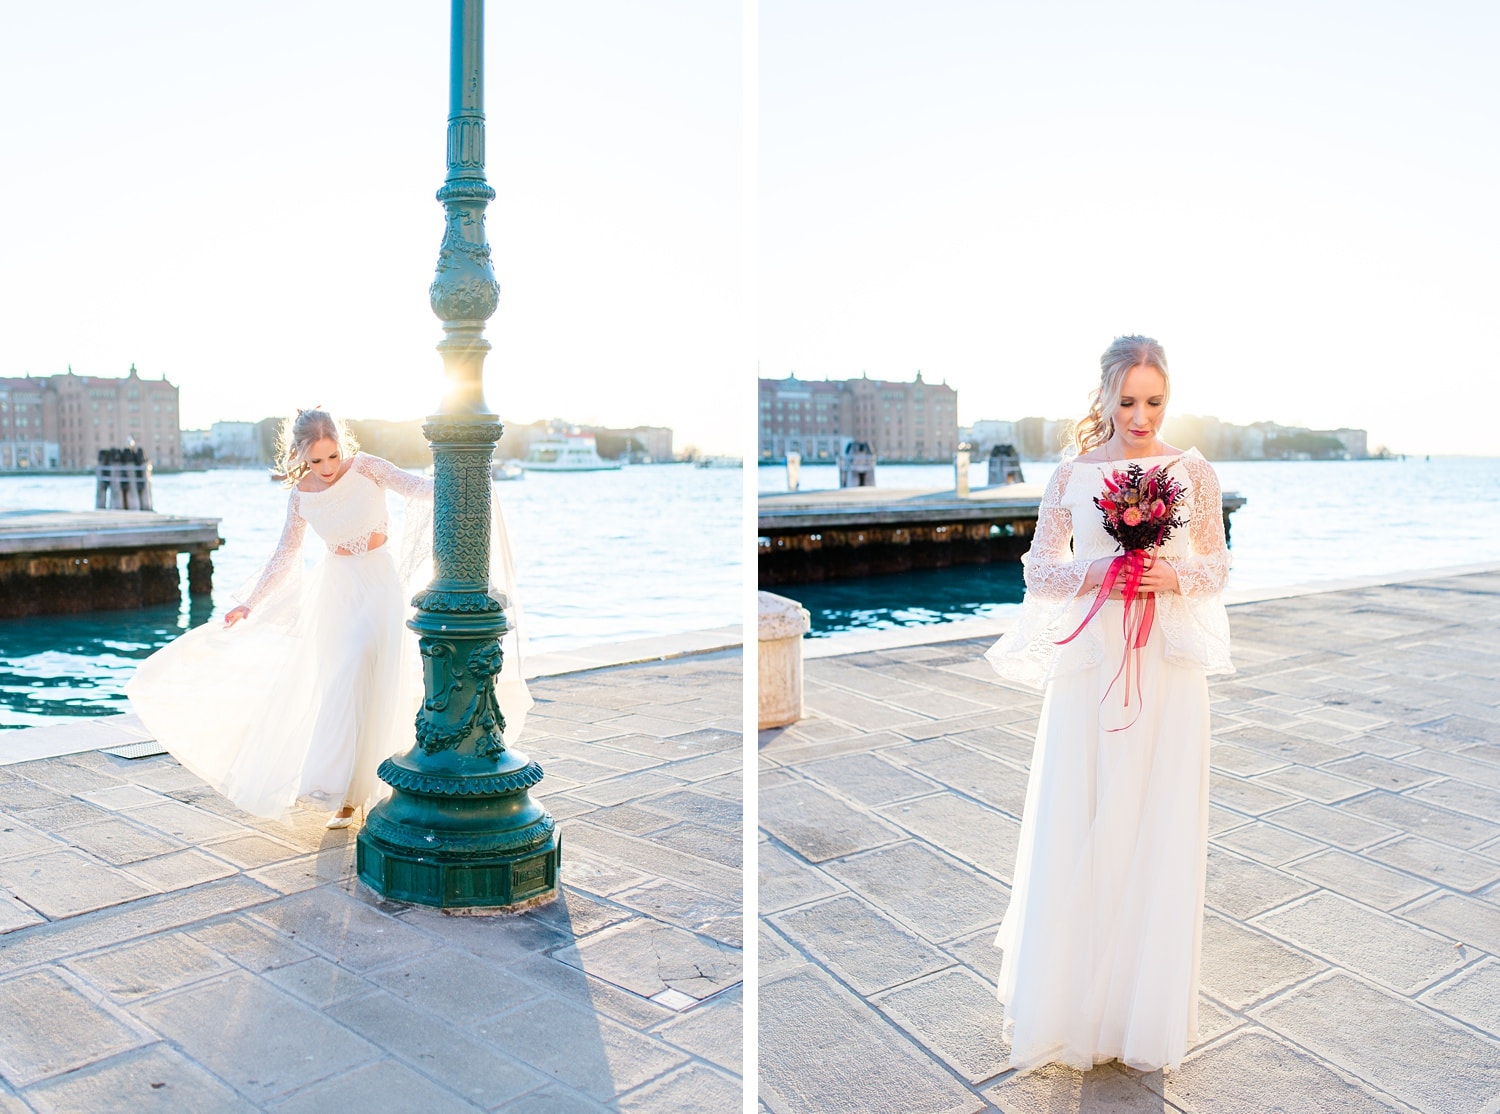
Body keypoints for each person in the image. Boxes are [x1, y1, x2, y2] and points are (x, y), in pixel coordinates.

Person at [983, 335, 1233, 1073]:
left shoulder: (1192, 471)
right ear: (1102, 397)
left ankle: (1140, 1011)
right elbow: (1039, 572)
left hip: (1168, 670)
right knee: (1086, 816)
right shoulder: (1070, 475)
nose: (1140, 415)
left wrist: (1173, 579)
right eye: (1127, 401)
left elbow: (1217, 563)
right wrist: (1101, 571)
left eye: (1153, 401)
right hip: (1093, 671)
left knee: (1156, 824)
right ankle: (1074, 1007)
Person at [126, 408, 528, 828]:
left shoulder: (368, 467)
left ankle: (357, 787)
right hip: (336, 591)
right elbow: (285, 555)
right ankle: (343, 797)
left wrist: (467, 479)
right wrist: (251, 603)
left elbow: (419, 489)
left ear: (341, 444)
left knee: (364, 671)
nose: (327, 468)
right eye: (316, 460)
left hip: (377, 583)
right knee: (342, 684)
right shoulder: (300, 495)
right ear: (301, 454)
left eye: (332, 456)